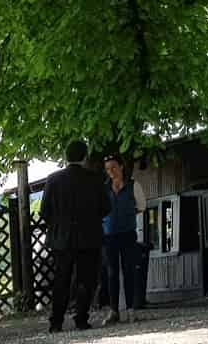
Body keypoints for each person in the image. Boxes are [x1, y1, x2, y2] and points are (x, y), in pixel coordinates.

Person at [42, 139, 106, 332]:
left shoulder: (53, 180)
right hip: (88, 236)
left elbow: (45, 211)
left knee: (61, 279)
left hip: (61, 238)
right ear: (85, 156)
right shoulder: (94, 179)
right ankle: (81, 319)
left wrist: (58, 224)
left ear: (66, 157)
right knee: (85, 279)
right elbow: (105, 207)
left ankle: (56, 321)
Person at [98, 154, 145, 325]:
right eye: (108, 169)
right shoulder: (104, 188)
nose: (111, 172)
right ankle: (114, 311)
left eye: (114, 168)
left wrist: (126, 216)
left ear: (121, 167)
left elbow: (141, 207)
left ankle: (131, 309)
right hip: (109, 236)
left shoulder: (133, 185)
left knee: (129, 270)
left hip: (127, 233)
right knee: (111, 273)